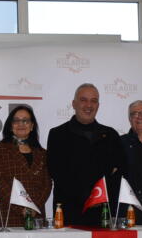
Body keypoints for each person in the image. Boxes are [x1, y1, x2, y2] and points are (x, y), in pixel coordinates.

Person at [47, 84, 124, 226]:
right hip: (69, 213)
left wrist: (98, 197)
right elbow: (57, 173)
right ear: (74, 104)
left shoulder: (111, 135)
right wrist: (87, 196)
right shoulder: (57, 134)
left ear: (98, 105)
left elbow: (119, 172)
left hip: (104, 213)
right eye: (83, 100)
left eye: (94, 101)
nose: (89, 105)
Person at [0, 105, 51, 227]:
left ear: (32, 126)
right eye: (16, 121)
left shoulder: (42, 153)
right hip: (8, 215)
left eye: (25, 120)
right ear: (10, 126)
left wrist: (33, 208)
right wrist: (22, 208)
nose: (21, 124)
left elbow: (47, 184)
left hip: (36, 216)